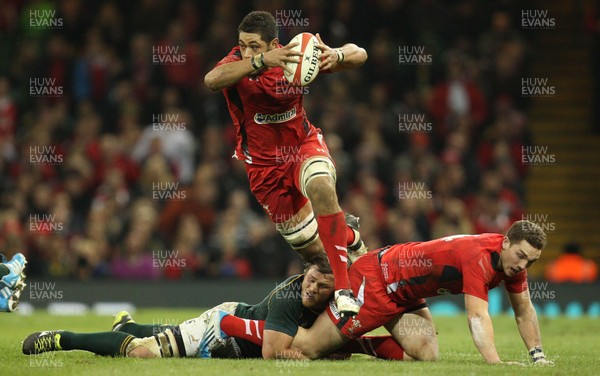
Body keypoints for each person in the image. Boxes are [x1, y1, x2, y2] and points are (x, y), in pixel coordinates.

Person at [206, 220, 554, 365]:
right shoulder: (480, 257)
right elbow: (478, 316)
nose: (523, 266)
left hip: (405, 294)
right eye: (521, 256)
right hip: (378, 282)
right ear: (506, 242)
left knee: (427, 354)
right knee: (307, 348)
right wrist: (495, 365)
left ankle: (347, 343)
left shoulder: (511, 263)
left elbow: (524, 310)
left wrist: (537, 357)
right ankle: (228, 324)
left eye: (531, 261)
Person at [204, 11, 368, 316]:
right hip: (265, 171)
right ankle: (348, 234)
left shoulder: (295, 57)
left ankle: (345, 291)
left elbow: (361, 54)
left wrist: (337, 54)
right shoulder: (237, 64)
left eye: (255, 46)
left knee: (320, 184)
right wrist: (259, 61)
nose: (247, 51)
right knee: (317, 255)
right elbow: (211, 80)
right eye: (243, 45)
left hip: (302, 147)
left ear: (275, 44)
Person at [22, 255, 407, 360]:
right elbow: (275, 353)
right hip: (221, 329)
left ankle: (127, 324)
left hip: (234, 328)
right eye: (311, 278)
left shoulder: (333, 307)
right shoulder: (292, 296)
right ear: (303, 272)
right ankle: (58, 339)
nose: (313, 287)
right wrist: (301, 354)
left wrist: (398, 353)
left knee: (152, 337)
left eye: (323, 285)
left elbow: (354, 343)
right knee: (144, 354)